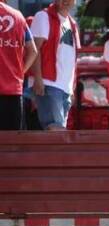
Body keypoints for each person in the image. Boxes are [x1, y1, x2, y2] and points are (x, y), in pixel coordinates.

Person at [29, 0, 80, 130]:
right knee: (55, 130)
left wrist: (72, 88)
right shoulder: (43, 16)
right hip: (48, 84)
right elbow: (35, 49)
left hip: (65, 88)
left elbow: (72, 58)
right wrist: (38, 79)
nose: (66, 1)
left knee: (57, 132)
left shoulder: (73, 23)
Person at [0, 0, 37, 130]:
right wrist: (20, 73)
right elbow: (33, 51)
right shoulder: (19, 17)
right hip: (14, 91)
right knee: (12, 144)